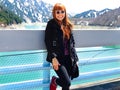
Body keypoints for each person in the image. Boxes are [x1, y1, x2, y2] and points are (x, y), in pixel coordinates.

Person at [44, 3, 79, 90]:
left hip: (69, 58)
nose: (60, 14)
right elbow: (48, 42)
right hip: (58, 58)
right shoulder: (51, 24)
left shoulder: (68, 25)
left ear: (65, 13)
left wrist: (75, 59)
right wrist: (53, 58)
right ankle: (55, 81)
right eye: (58, 12)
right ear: (54, 13)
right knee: (66, 82)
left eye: (62, 12)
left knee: (66, 86)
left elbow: (72, 44)